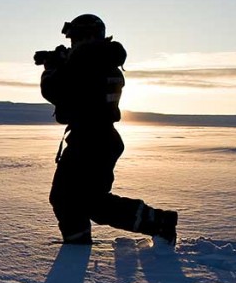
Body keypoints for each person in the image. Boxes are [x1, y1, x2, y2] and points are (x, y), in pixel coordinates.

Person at [38, 14, 178, 245]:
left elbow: (54, 90)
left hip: (92, 140)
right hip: (95, 138)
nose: (73, 44)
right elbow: (79, 92)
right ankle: (78, 245)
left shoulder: (88, 60)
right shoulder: (101, 59)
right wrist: (64, 62)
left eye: (76, 39)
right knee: (71, 199)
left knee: (89, 203)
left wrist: (52, 67)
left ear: (87, 37)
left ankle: (160, 222)